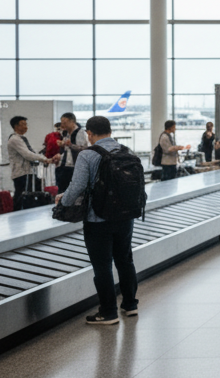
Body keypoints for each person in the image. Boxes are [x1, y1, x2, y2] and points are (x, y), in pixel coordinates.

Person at [55, 116, 140, 325]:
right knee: (125, 260)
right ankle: (130, 305)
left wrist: (62, 201)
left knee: (102, 266)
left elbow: (77, 186)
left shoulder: (88, 154)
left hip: (98, 218)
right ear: (110, 131)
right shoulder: (127, 151)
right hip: (126, 216)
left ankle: (108, 312)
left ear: (90, 134)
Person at [7, 116, 59, 210]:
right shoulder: (14, 139)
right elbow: (27, 154)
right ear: (16, 126)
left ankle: (26, 212)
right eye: (23, 124)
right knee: (21, 195)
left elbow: (32, 153)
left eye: (26, 124)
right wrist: (45, 159)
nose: (26, 127)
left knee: (31, 192)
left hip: (27, 171)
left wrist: (44, 158)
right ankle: (17, 214)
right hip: (21, 173)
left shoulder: (22, 139)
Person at [56, 112, 89, 193]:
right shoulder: (66, 133)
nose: (63, 125)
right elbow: (67, 151)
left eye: (65, 123)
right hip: (65, 165)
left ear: (72, 122)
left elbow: (84, 149)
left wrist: (70, 145)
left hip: (75, 166)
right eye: (62, 123)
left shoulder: (80, 133)